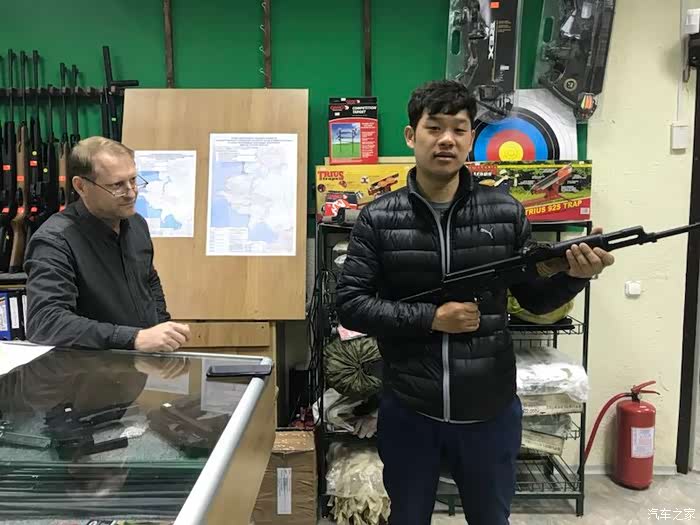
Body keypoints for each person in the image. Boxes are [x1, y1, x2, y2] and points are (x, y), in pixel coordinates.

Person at [335, 80, 615, 525]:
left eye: (459, 129)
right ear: (411, 136)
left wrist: (575, 277)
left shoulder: (505, 212)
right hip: (410, 408)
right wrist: (432, 318)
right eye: (435, 127)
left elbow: (535, 300)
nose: (446, 139)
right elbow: (351, 305)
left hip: (490, 410)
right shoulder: (379, 218)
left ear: (471, 139)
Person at [24, 136, 191, 352]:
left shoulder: (136, 224)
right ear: (81, 186)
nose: (131, 193)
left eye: (133, 180)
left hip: (141, 363)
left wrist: (161, 329)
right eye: (117, 185)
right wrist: (134, 338)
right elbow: (45, 322)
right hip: (89, 368)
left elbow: (149, 281)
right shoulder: (55, 241)